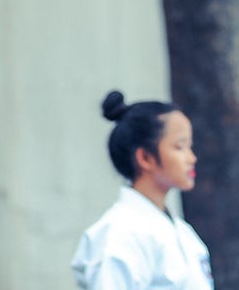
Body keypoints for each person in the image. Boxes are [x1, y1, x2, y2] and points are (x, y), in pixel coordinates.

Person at [72, 91, 212, 288]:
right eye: (180, 147)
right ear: (145, 158)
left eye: (190, 147)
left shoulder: (182, 231)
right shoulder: (119, 235)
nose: (192, 158)